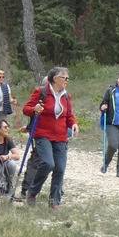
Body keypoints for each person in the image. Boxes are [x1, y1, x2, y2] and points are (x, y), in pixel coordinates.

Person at [22, 67, 77, 209]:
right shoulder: (41, 92)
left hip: (60, 136)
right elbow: (26, 109)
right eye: (64, 78)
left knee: (60, 168)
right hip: (42, 134)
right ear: (55, 79)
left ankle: (54, 202)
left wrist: (74, 124)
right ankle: (32, 192)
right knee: (48, 163)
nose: (67, 81)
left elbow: (69, 115)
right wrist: (34, 109)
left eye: (67, 78)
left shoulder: (66, 96)